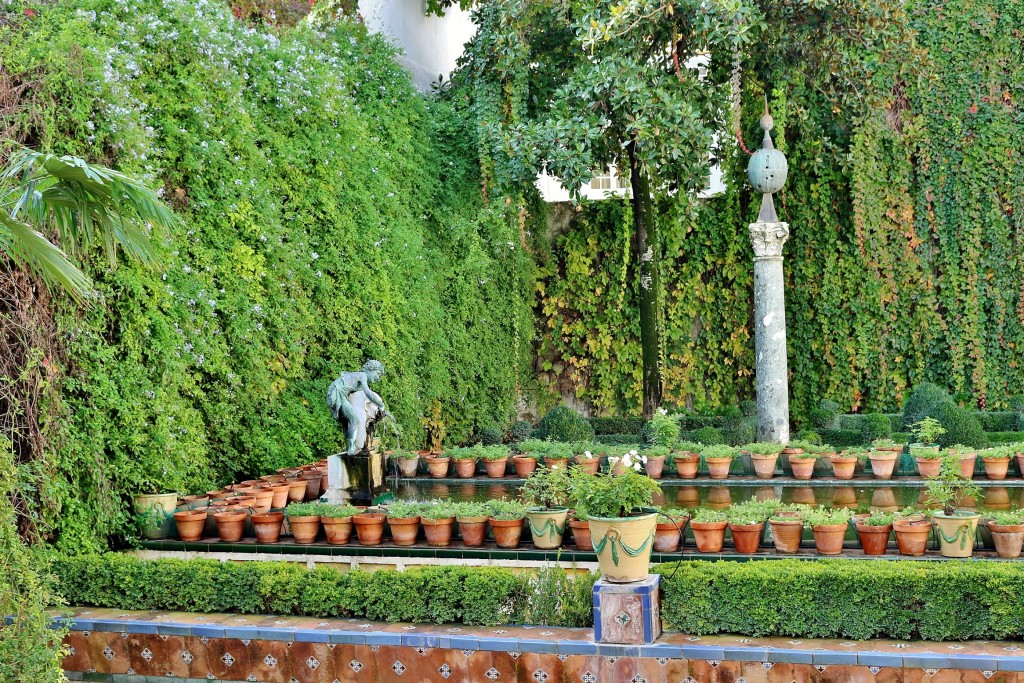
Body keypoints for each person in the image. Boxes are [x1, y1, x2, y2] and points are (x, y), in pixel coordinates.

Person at [327, 360, 390, 454]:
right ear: (370, 369)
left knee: (349, 421)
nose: (378, 378)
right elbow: (368, 393)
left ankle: (351, 446)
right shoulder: (362, 376)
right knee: (354, 420)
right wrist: (381, 405)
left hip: (339, 394)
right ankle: (351, 448)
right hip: (337, 394)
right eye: (377, 374)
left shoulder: (358, 380)